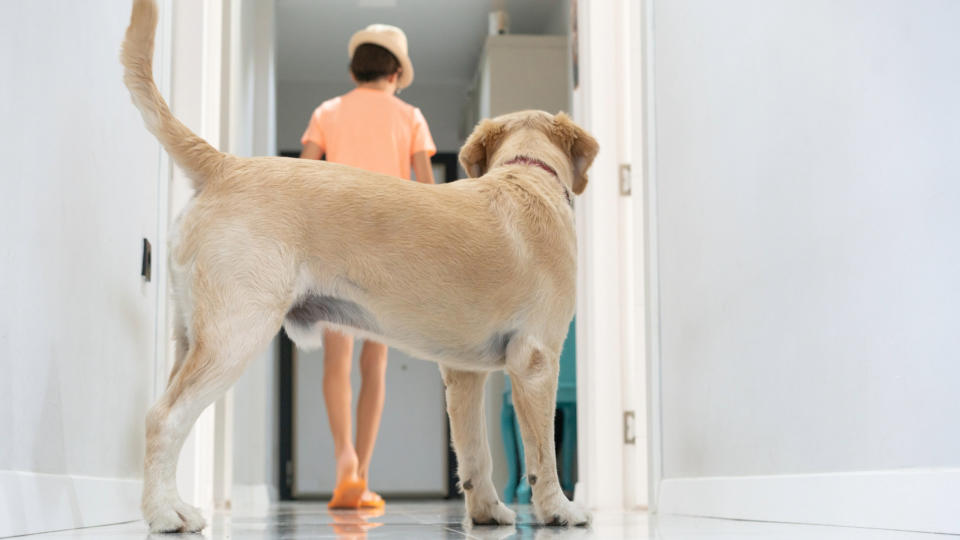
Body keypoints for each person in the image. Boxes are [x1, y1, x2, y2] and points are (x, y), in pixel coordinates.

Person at [299, 24, 437, 510]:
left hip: (335, 247)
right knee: (374, 364)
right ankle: (365, 473)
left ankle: (344, 463)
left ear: (355, 69)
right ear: (396, 73)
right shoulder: (411, 117)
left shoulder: (327, 112)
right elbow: (426, 192)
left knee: (336, 361)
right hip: (386, 251)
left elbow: (304, 176)